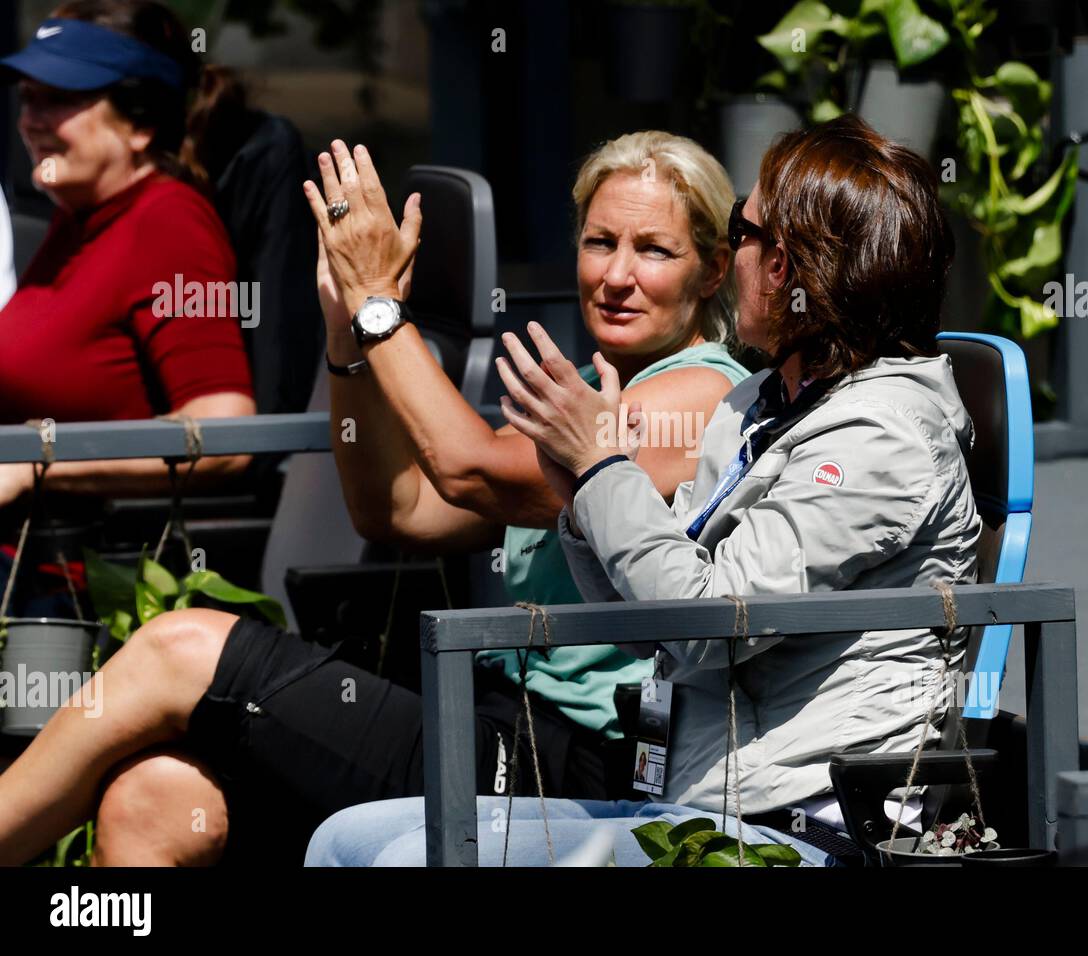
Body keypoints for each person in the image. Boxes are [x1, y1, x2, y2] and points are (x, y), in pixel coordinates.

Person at [0, 130, 751, 866]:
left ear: (713, 270)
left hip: (575, 766)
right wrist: (344, 336)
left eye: (654, 250)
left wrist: (381, 309)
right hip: (490, 713)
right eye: (600, 242)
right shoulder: (589, 391)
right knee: (155, 799)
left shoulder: (701, 395)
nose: (617, 274)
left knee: (179, 647)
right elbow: (400, 513)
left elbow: (469, 470)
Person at [305, 113, 983, 867]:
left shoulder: (880, 435)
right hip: (700, 794)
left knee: (404, 861)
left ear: (788, 266)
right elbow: (649, 624)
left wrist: (600, 467)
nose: (617, 273)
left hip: (800, 824)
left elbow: (708, 622)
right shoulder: (762, 403)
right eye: (599, 241)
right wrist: (582, 495)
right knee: (345, 841)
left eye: (743, 232)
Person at [0, 2, 256, 615]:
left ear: (139, 126)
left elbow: (226, 432)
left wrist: (37, 461)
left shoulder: (168, 223)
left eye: (57, 99)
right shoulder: (81, 219)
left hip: (82, 597)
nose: (30, 119)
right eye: (26, 97)